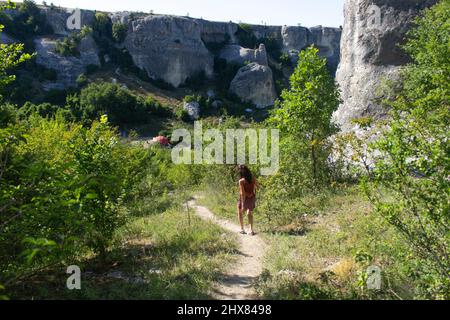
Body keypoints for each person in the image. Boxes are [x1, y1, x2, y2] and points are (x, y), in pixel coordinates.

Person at [237, 165, 259, 236]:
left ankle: (242, 229)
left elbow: (242, 194)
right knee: (249, 213)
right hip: (252, 197)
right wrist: (252, 192)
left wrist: (243, 205)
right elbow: (258, 187)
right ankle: (251, 230)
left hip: (243, 198)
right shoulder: (253, 178)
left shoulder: (241, 181)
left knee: (240, 212)